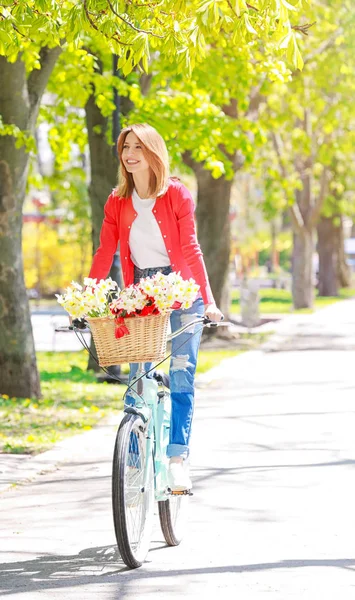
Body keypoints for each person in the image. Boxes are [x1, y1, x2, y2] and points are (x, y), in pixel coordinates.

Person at [88, 123, 223, 491]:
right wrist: (88, 299)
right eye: (125, 147)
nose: (130, 153)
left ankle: (177, 458)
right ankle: (133, 461)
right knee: (137, 376)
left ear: (153, 152)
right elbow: (105, 252)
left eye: (138, 147)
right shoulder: (117, 200)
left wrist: (208, 301)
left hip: (182, 289)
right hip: (141, 291)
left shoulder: (176, 194)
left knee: (181, 371)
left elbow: (191, 248)